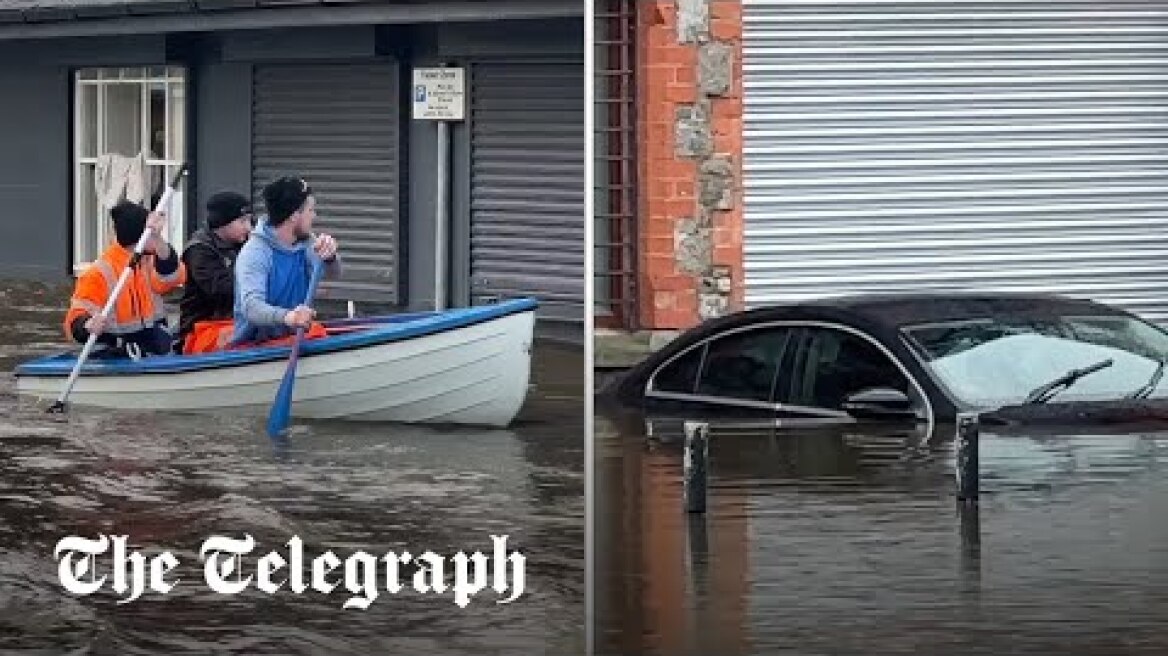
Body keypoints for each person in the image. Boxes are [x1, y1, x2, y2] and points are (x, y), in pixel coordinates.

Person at [64, 200, 186, 359]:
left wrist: (158, 240)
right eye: (152, 235)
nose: (157, 239)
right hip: (118, 355)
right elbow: (74, 320)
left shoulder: (150, 262)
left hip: (154, 348)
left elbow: (175, 277)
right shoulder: (98, 273)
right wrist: (87, 325)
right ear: (140, 237)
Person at [231, 176, 341, 347]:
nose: (315, 216)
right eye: (311, 210)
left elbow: (334, 274)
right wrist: (290, 317)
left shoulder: (307, 243)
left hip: (295, 338)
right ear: (294, 215)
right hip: (256, 344)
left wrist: (330, 257)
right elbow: (252, 308)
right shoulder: (255, 253)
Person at [176, 191, 254, 354]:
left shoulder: (245, 245)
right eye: (242, 221)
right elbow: (222, 291)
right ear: (222, 223)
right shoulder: (199, 251)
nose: (249, 227)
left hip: (236, 321)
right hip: (203, 328)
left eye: (249, 221)